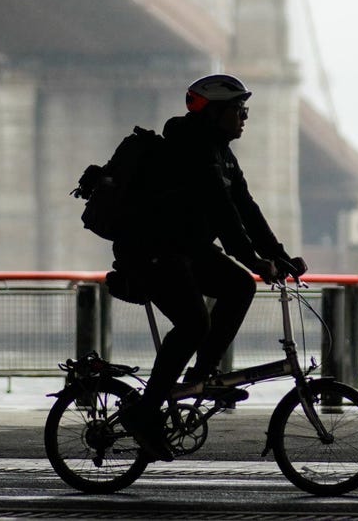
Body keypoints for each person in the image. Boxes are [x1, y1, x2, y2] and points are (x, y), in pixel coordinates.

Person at [113, 73, 305, 461]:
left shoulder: (221, 154)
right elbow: (224, 216)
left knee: (239, 286)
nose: (244, 117)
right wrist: (254, 260)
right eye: (239, 110)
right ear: (215, 113)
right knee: (194, 323)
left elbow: (246, 210)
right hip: (151, 250)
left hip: (186, 249)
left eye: (244, 110)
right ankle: (146, 414)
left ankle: (201, 376)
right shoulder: (192, 150)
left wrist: (279, 256)